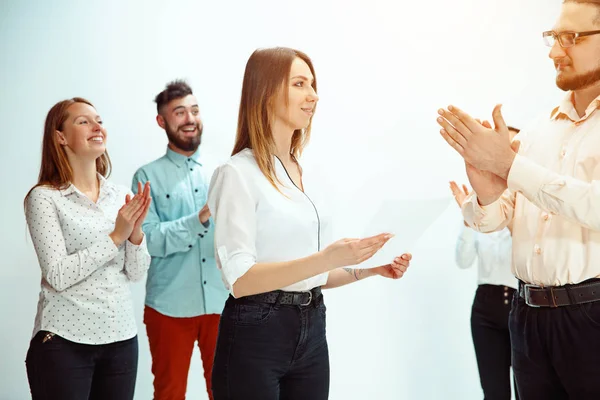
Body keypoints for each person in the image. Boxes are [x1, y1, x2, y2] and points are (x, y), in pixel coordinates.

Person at [207, 47, 413, 400]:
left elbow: (309, 275)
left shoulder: (302, 172)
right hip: (256, 333)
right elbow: (240, 280)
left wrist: (371, 269)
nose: (313, 95)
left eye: (313, 84)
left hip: (312, 327)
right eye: (300, 84)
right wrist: (327, 259)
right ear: (267, 92)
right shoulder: (237, 173)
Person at [437, 0, 600, 397]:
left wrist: (509, 165)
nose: (555, 51)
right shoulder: (537, 129)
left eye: (571, 38)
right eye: (553, 37)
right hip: (526, 316)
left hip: (591, 317)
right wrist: (487, 188)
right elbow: (497, 220)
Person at [24, 97, 151, 400]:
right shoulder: (44, 198)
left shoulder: (120, 195)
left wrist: (135, 234)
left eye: (99, 121)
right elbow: (57, 274)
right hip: (64, 343)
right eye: (83, 121)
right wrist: (116, 236)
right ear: (61, 137)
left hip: (121, 340)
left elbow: (135, 272)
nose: (97, 127)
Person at [131, 80, 228, 400]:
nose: (190, 118)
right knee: (169, 393)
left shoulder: (223, 171)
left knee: (228, 390)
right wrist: (198, 219)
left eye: (195, 111)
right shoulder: (145, 177)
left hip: (223, 303)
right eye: (180, 112)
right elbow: (150, 240)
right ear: (162, 121)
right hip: (168, 308)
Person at [451, 177, 518, 400]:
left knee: (526, 388)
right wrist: (468, 220)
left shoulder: (520, 215)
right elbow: (463, 260)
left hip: (518, 305)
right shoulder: (479, 221)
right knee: (494, 391)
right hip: (485, 307)